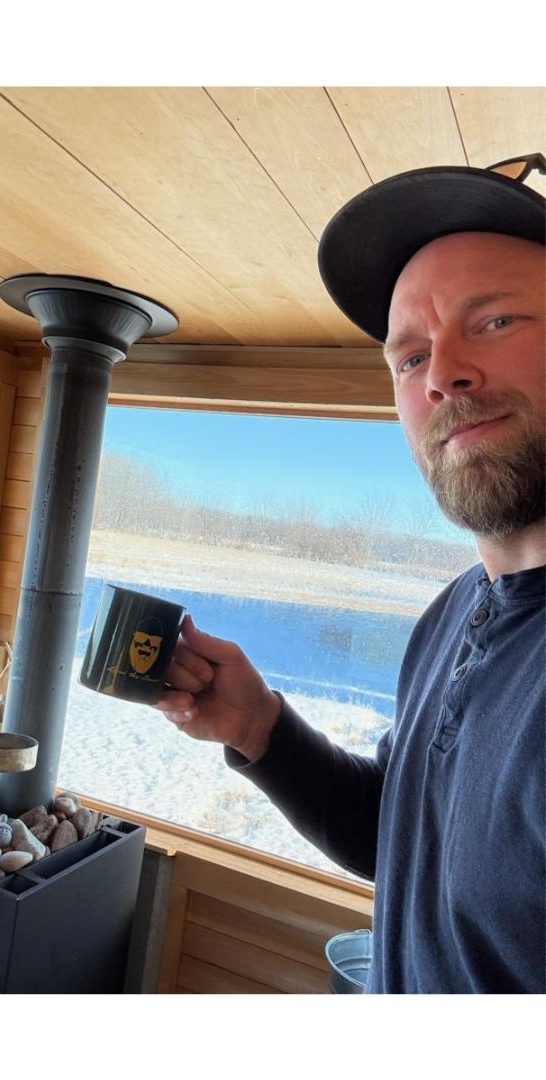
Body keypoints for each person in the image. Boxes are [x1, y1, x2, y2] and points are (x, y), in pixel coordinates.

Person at [153, 154, 545, 993]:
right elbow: (407, 842)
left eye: (498, 321)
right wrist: (260, 729)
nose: (442, 375)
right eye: (409, 357)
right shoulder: (451, 615)